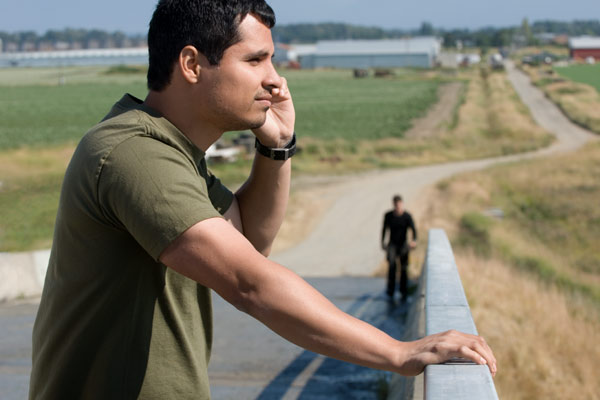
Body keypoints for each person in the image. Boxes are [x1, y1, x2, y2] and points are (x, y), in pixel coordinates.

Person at [29, 1, 496, 398]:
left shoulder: (175, 154)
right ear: (192, 65)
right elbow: (249, 282)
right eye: (255, 61)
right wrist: (399, 352)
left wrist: (276, 147)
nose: (275, 80)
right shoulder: (134, 153)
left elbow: (248, 241)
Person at [381, 195, 417, 300]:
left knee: (404, 268)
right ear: (393, 204)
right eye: (396, 204)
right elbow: (384, 230)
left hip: (403, 245)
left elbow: (413, 229)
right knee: (392, 266)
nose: (397, 206)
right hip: (392, 244)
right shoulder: (388, 215)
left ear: (402, 204)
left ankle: (403, 291)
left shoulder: (407, 216)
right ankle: (390, 291)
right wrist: (383, 243)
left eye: (399, 204)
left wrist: (414, 241)